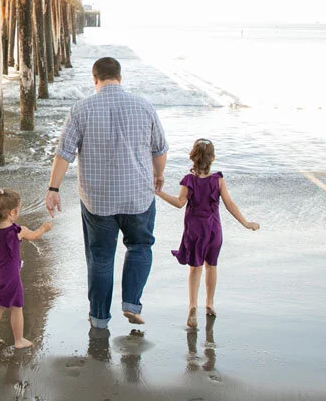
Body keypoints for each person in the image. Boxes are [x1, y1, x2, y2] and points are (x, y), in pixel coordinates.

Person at [45, 56, 168, 329]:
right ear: (120, 78)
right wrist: (158, 175)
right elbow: (159, 149)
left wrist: (53, 188)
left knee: (100, 258)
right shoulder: (144, 106)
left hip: (98, 200)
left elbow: (63, 153)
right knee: (139, 246)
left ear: (95, 79)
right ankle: (131, 303)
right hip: (138, 195)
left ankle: (99, 318)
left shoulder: (81, 108)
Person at [156, 138, 259, 328]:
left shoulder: (189, 180)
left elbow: (180, 203)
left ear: (192, 157)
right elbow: (229, 204)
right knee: (211, 265)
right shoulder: (218, 180)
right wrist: (246, 223)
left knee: (195, 268)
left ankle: (192, 306)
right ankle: (210, 303)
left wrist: (159, 193)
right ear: (213, 158)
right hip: (214, 231)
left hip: (195, 230)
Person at [0, 188, 52, 348]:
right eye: (18, 210)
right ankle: (19, 340)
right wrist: (44, 228)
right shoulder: (17, 231)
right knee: (17, 307)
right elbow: (34, 235)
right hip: (10, 276)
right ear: (11, 213)